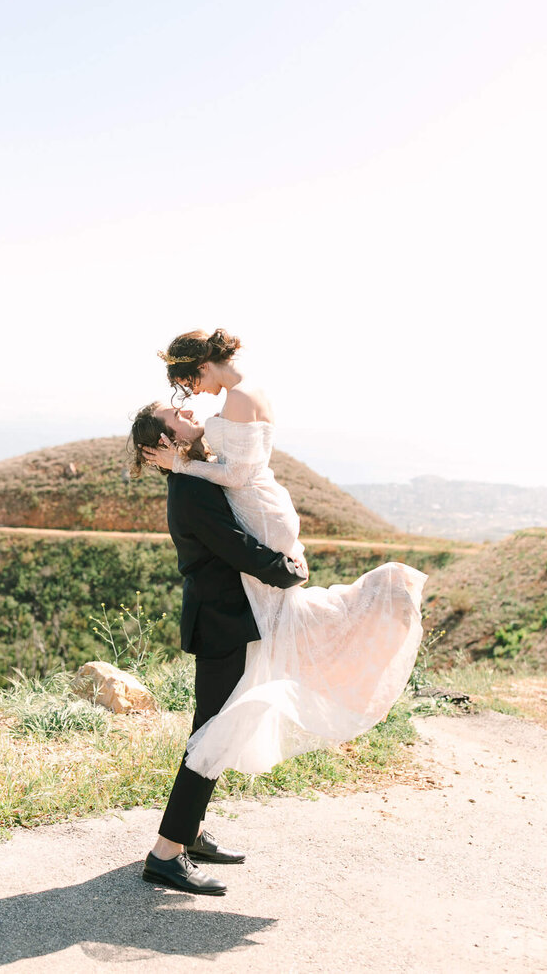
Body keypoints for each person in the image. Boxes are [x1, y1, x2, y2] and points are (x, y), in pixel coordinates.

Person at [142, 328, 427, 782]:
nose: (193, 394)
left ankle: (376, 599)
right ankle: (363, 609)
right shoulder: (247, 392)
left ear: (201, 366)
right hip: (267, 503)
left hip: (257, 501)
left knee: (277, 617)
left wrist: (180, 464)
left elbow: (235, 474)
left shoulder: (237, 398)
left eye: (189, 383)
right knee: (282, 618)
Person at [129, 401, 307, 896]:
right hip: (221, 622)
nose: (189, 411)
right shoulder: (189, 488)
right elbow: (233, 545)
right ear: (167, 443)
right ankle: (166, 854)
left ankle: (191, 834)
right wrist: (286, 569)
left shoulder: (195, 475)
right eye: (176, 415)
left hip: (227, 617)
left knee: (211, 732)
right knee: (209, 736)